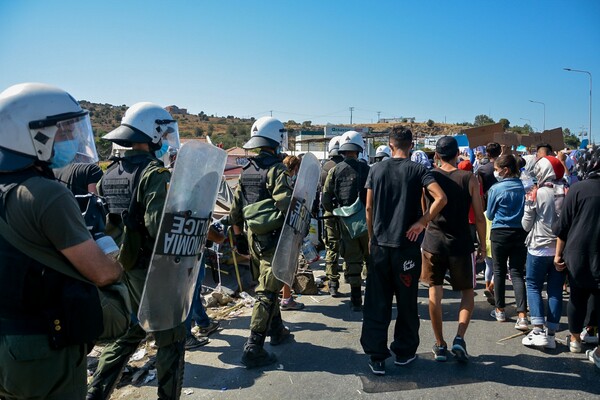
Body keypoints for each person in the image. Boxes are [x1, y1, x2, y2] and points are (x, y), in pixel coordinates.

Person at [0, 82, 123, 400]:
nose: (70, 139)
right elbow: (103, 273)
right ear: (33, 135)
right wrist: (106, 246)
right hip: (42, 348)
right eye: (63, 131)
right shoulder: (46, 194)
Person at [88, 102, 186, 400]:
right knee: (171, 338)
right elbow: (161, 228)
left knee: (130, 332)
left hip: (122, 268)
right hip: (151, 270)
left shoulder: (111, 173)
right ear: (152, 132)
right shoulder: (154, 174)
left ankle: (96, 392)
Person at [360, 126, 446, 375]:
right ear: (411, 145)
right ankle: (404, 353)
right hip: (406, 249)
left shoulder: (375, 169)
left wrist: (372, 237)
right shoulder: (419, 169)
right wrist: (422, 222)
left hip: (380, 246)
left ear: (390, 144)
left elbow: (368, 208)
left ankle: (377, 356)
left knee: (377, 302)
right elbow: (440, 198)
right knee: (407, 302)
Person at [229, 116, 293, 369]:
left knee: (268, 283)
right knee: (267, 291)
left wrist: (238, 239)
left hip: (252, 237)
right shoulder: (277, 170)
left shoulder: (246, 171)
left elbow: (235, 211)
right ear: (277, 139)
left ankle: (276, 330)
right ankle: (253, 347)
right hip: (274, 239)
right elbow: (286, 204)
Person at [421, 137, 485, 363]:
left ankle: (439, 344)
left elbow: (425, 209)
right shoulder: (469, 177)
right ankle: (459, 337)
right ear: (457, 153)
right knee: (467, 291)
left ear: (436, 155)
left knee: (434, 292)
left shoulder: (430, 176)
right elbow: (478, 216)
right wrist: (483, 244)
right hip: (461, 243)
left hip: (433, 242)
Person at [553, 145, 600, 369]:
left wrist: (558, 253)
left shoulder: (578, 189)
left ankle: (574, 339)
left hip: (577, 251)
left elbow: (563, 226)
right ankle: (591, 331)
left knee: (577, 295)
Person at [521, 156, 566, 349]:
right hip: (560, 249)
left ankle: (537, 330)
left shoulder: (536, 193)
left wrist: (529, 205)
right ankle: (552, 333)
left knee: (533, 286)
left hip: (538, 248)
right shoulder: (566, 192)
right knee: (555, 291)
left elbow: (526, 225)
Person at [322, 130, 371, 311]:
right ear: (359, 149)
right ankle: (373, 297)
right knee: (370, 259)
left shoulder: (334, 171)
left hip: (345, 222)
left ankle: (356, 299)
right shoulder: (367, 169)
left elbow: (326, 200)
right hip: (367, 221)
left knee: (352, 260)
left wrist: (337, 212)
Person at [486, 154, 528, 330]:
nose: (495, 172)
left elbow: (489, 214)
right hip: (520, 232)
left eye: (497, 169)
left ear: (506, 170)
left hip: (500, 232)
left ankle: (500, 309)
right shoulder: (525, 187)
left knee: (499, 270)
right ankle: (522, 315)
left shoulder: (496, 189)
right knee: (517, 273)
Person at [476, 142, 502, 303]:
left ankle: (487, 285)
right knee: (499, 260)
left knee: (488, 261)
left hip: (485, 209)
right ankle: (491, 287)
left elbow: (477, 190)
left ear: (487, 152)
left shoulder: (481, 170)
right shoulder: (504, 167)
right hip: (501, 213)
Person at [280, 155, 305, 310]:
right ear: (296, 168)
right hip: (289, 228)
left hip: (277, 227)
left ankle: (282, 294)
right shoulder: (291, 182)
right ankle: (286, 298)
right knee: (288, 265)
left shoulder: (279, 179)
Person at [320, 137, 344, 296]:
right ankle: (351, 277)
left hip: (329, 214)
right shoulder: (346, 166)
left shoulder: (323, 167)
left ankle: (332, 282)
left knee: (331, 247)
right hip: (347, 213)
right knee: (350, 246)